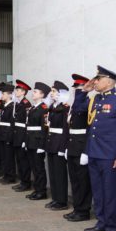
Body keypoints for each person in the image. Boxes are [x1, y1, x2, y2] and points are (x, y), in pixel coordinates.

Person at [77, 65, 116, 231]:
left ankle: (111, 227)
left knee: (109, 192)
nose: (94, 82)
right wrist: (83, 91)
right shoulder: (95, 99)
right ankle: (101, 222)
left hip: (110, 156)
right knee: (97, 191)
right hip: (94, 153)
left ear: (109, 81)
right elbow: (78, 109)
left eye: (98, 79)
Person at [64, 74, 92, 222]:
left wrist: (86, 151)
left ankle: (83, 211)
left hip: (82, 147)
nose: (77, 90)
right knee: (75, 181)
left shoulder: (87, 103)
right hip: (73, 145)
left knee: (83, 182)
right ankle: (77, 208)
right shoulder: (74, 105)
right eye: (75, 88)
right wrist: (67, 147)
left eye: (80, 87)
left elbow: (89, 129)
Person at [45, 81, 70, 211]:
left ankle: (62, 201)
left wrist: (63, 147)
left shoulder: (65, 108)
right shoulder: (52, 107)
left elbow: (66, 129)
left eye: (54, 91)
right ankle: (55, 198)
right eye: (51, 91)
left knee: (60, 174)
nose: (51, 93)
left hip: (59, 143)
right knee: (53, 173)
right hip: (51, 142)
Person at [24, 82, 50, 201]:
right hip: (30, 141)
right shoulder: (33, 108)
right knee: (34, 167)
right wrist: (26, 141)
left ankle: (41, 191)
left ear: (42, 95)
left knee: (39, 168)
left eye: (35, 92)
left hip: (37, 142)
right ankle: (36, 189)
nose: (33, 93)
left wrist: (42, 145)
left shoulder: (44, 109)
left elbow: (44, 128)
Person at [12, 80, 32, 192]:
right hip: (17, 135)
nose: (16, 91)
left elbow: (27, 123)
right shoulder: (18, 103)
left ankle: (26, 183)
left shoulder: (26, 104)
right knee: (19, 160)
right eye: (16, 90)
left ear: (23, 92)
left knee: (24, 161)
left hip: (22, 135)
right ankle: (22, 181)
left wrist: (25, 139)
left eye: (18, 90)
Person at [0, 84, 16, 184]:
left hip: (7, 135)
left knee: (9, 157)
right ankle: (5, 175)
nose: (2, 95)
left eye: (3, 94)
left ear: (9, 95)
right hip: (2, 134)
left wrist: (9, 137)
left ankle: (10, 177)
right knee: (4, 156)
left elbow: (12, 124)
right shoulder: (4, 106)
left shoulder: (12, 106)